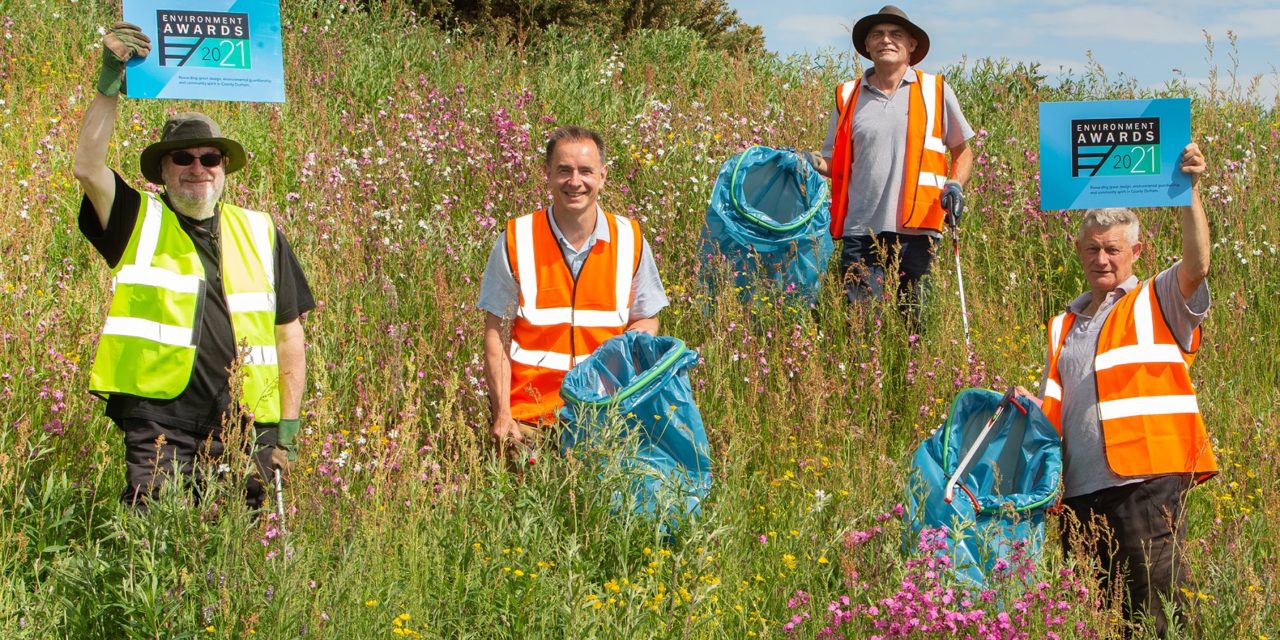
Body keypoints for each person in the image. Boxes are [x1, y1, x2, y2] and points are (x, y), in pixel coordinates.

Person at [72, 23, 315, 508]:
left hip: (249, 426)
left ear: (224, 169)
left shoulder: (262, 231)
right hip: (161, 426)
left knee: (243, 562)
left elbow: (289, 335)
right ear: (162, 171)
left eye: (210, 158)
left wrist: (286, 429)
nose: (197, 167)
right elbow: (87, 167)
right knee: (154, 550)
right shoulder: (136, 218)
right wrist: (108, 81)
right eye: (182, 158)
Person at [1018, 143, 1215, 637]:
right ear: (1079, 250)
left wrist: (1189, 192)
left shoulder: (1157, 297)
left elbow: (1197, 265)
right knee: (1103, 622)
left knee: (1158, 615)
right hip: (1081, 496)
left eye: (1113, 249)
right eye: (1092, 248)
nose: (1102, 258)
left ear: (1136, 253)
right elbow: (1057, 406)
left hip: (1146, 485)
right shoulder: (1063, 323)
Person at [477, 126, 668, 457]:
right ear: (547, 174)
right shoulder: (516, 238)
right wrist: (502, 413)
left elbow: (646, 321)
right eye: (564, 170)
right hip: (529, 419)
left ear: (603, 176)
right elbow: (497, 335)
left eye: (586, 171)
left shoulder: (630, 240)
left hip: (605, 416)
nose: (575, 182)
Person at [808, 5, 974, 331]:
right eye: (877, 34)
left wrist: (954, 185)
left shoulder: (935, 90)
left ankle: (912, 382)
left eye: (896, 34)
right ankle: (864, 381)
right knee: (859, 328)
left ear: (911, 45)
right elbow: (834, 161)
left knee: (915, 327)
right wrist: (807, 160)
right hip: (861, 230)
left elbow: (963, 151)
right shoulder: (847, 95)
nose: (886, 40)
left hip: (919, 229)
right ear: (867, 46)